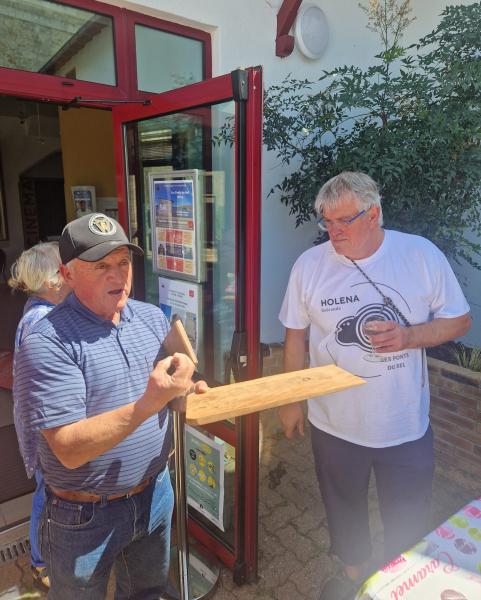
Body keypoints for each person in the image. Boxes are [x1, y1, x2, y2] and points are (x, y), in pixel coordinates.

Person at [278, 172, 471, 600]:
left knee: (407, 517)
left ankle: (397, 584)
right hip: (334, 424)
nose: (334, 232)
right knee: (343, 511)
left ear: (374, 213)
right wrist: (291, 401)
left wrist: (410, 336)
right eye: (327, 222)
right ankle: (354, 577)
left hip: (404, 426)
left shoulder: (419, 255)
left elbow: (459, 321)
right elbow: (295, 336)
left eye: (344, 220)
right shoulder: (309, 265)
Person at [13, 213, 206, 599]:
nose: (117, 275)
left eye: (123, 262)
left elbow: (174, 388)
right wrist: (149, 402)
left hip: (155, 493)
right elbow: (68, 448)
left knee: (148, 592)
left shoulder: (151, 318)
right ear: (67, 275)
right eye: (101, 266)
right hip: (82, 518)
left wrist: (187, 389)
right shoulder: (46, 341)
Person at [8, 242, 71, 589]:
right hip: (44, 429)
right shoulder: (42, 321)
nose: (71, 273)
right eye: (64, 268)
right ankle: (40, 561)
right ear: (51, 281)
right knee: (47, 493)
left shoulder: (38, 309)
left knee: (46, 490)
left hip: (38, 422)